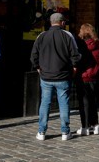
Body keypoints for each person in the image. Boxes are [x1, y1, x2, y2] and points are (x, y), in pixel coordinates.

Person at [30, 13, 81, 141]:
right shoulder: (67, 35)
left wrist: (37, 67)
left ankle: (41, 131)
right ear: (62, 22)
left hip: (46, 76)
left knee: (45, 103)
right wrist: (74, 67)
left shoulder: (41, 36)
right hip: (63, 76)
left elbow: (33, 56)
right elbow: (75, 55)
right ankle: (65, 132)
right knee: (64, 103)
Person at [75, 23, 99, 136]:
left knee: (84, 103)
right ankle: (95, 125)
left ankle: (85, 126)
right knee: (93, 102)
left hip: (84, 76)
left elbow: (81, 62)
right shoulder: (97, 43)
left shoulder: (82, 45)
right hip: (94, 76)